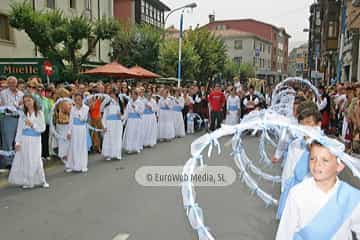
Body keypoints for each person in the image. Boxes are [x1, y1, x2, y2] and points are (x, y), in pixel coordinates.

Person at [276, 141, 360, 239]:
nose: (317, 164)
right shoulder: (298, 193)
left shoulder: (352, 197)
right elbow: (285, 232)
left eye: (325, 160)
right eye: (312, 158)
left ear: (339, 166)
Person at [276, 101, 322, 219]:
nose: (306, 128)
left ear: (318, 124)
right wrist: (285, 191)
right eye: (302, 125)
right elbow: (288, 171)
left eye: (309, 123)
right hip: (295, 193)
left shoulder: (327, 147)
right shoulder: (295, 145)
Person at [8, 94, 49, 188]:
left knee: (36, 159)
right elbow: (19, 130)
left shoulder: (39, 113)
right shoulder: (23, 115)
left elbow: (42, 128)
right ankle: (28, 181)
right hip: (25, 140)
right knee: (26, 159)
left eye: (29, 100)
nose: (27, 103)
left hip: (35, 140)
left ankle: (42, 180)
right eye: (25, 101)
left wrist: (32, 125)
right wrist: (17, 142)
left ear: (33, 101)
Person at [0, 76, 24, 169]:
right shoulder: (2, 93)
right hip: (7, 118)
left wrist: (19, 107)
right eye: (10, 83)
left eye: (13, 83)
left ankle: (17, 160)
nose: (12, 84)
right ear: (7, 83)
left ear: (16, 83)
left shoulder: (21, 93)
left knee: (17, 139)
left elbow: (23, 105)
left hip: (19, 118)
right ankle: (8, 162)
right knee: (8, 140)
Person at [66, 93, 89, 173]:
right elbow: (71, 121)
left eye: (79, 99)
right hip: (74, 129)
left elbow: (84, 119)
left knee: (81, 146)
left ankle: (83, 165)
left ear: (82, 99)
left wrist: (79, 112)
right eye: (76, 100)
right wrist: (69, 132)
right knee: (73, 146)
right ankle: (72, 165)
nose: (77, 101)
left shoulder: (86, 108)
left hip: (82, 129)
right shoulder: (72, 109)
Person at [101, 89, 123, 160]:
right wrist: (104, 126)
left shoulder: (120, 103)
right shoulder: (107, 104)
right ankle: (109, 154)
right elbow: (104, 116)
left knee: (117, 138)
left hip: (117, 124)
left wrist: (121, 116)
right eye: (111, 94)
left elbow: (123, 114)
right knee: (109, 138)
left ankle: (117, 154)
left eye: (113, 94)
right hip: (110, 123)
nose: (112, 95)